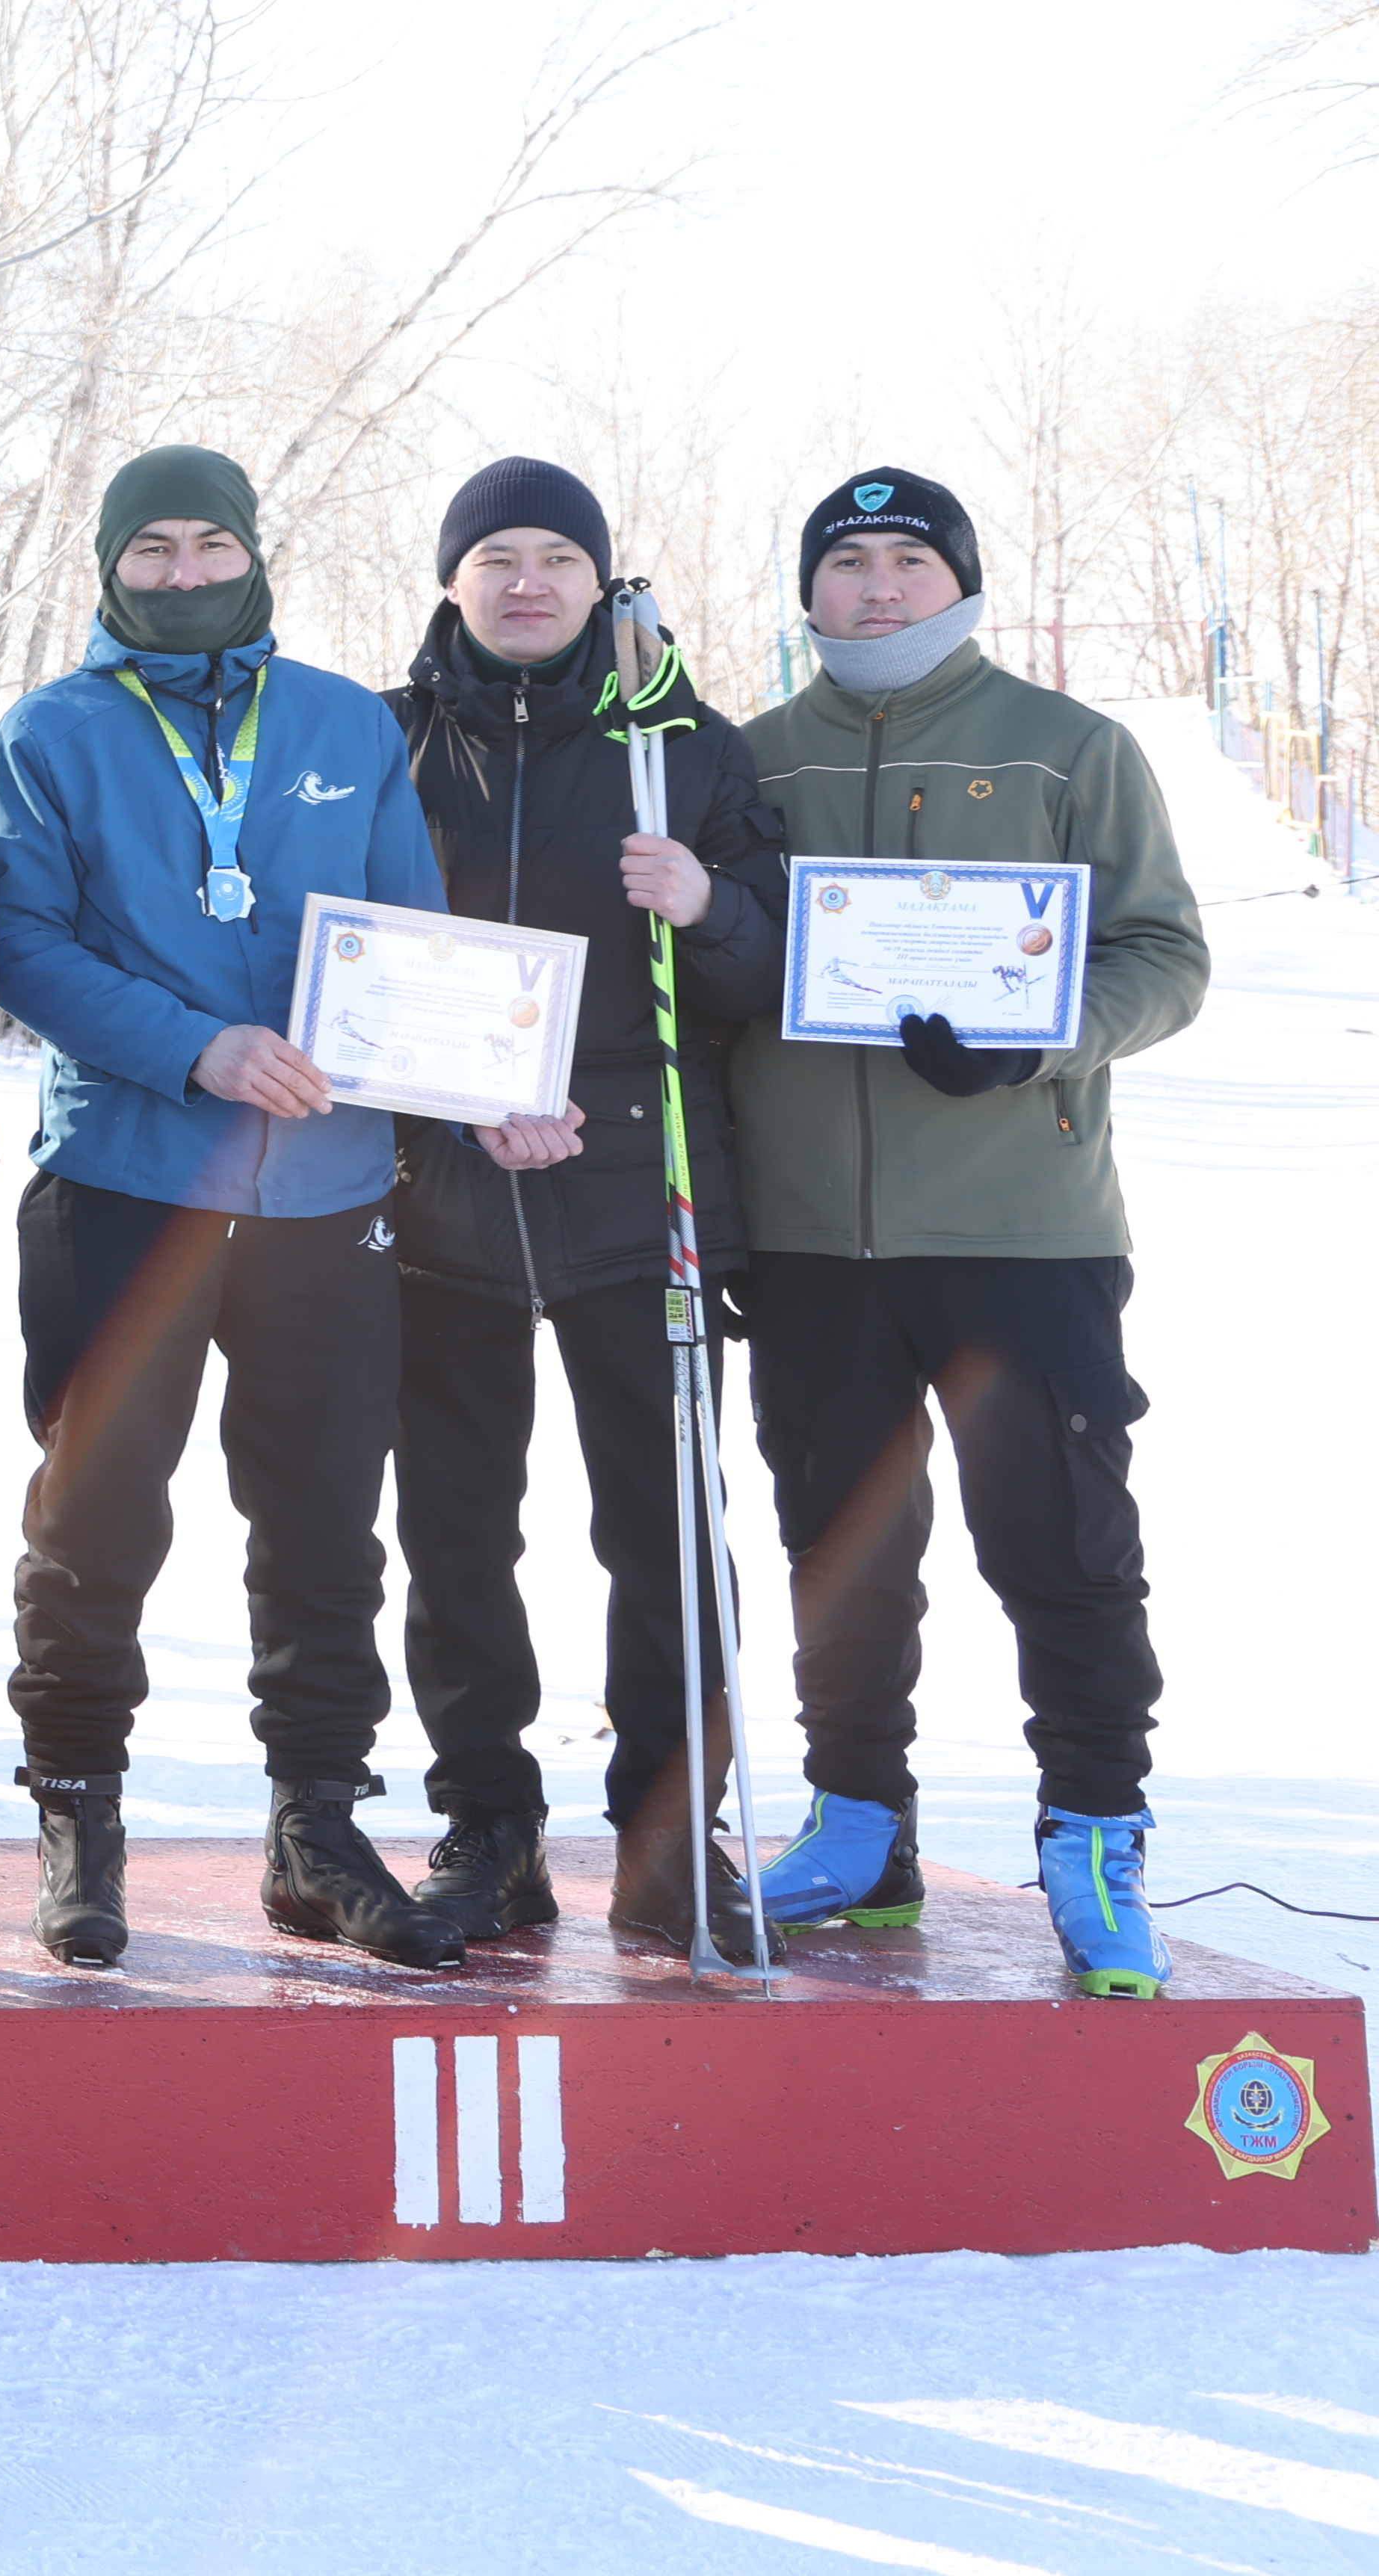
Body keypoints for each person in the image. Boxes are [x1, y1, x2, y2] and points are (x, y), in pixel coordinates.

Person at [726, 468, 1214, 1997]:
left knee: (1059, 1542)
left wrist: (1040, 1034)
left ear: (962, 582)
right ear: (809, 592)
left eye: (907, 563)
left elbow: (1165, 955)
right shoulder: (745, 763)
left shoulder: (1069, 745)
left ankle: (1092, 1833)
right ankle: (859, 1822)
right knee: (838, 1544)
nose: (876, 589)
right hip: (809, 1236)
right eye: (847, 564)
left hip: (1018, 1228)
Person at [0, 443, 460, 1971]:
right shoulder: (53, 730)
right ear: (110, 563)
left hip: (324, 1191)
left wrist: (464, 1059)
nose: (181, 570)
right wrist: (197, 1047)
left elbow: (409, 932)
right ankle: (77, 1804)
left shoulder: (341, 721)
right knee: (95, 1508)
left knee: (322, 1516)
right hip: (127, 1175)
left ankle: (315, 1823)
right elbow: (33, 946)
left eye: (207, 542)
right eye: (151, 548)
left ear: (249, 551)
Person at [375, 457, 788, 1957]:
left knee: (666, 1527)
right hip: (441, 1185)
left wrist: (708, 902)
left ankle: (673, 1836)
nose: (529, 579)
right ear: (451, 578)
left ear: (600, 577)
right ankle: (488, 1823)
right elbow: (334, 965)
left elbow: (765, 976)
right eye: (497, 554)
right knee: (455, 1527)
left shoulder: (683, 746)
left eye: (560, 554)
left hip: (640, 1191)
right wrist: (452, 1096)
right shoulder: (384, 739)